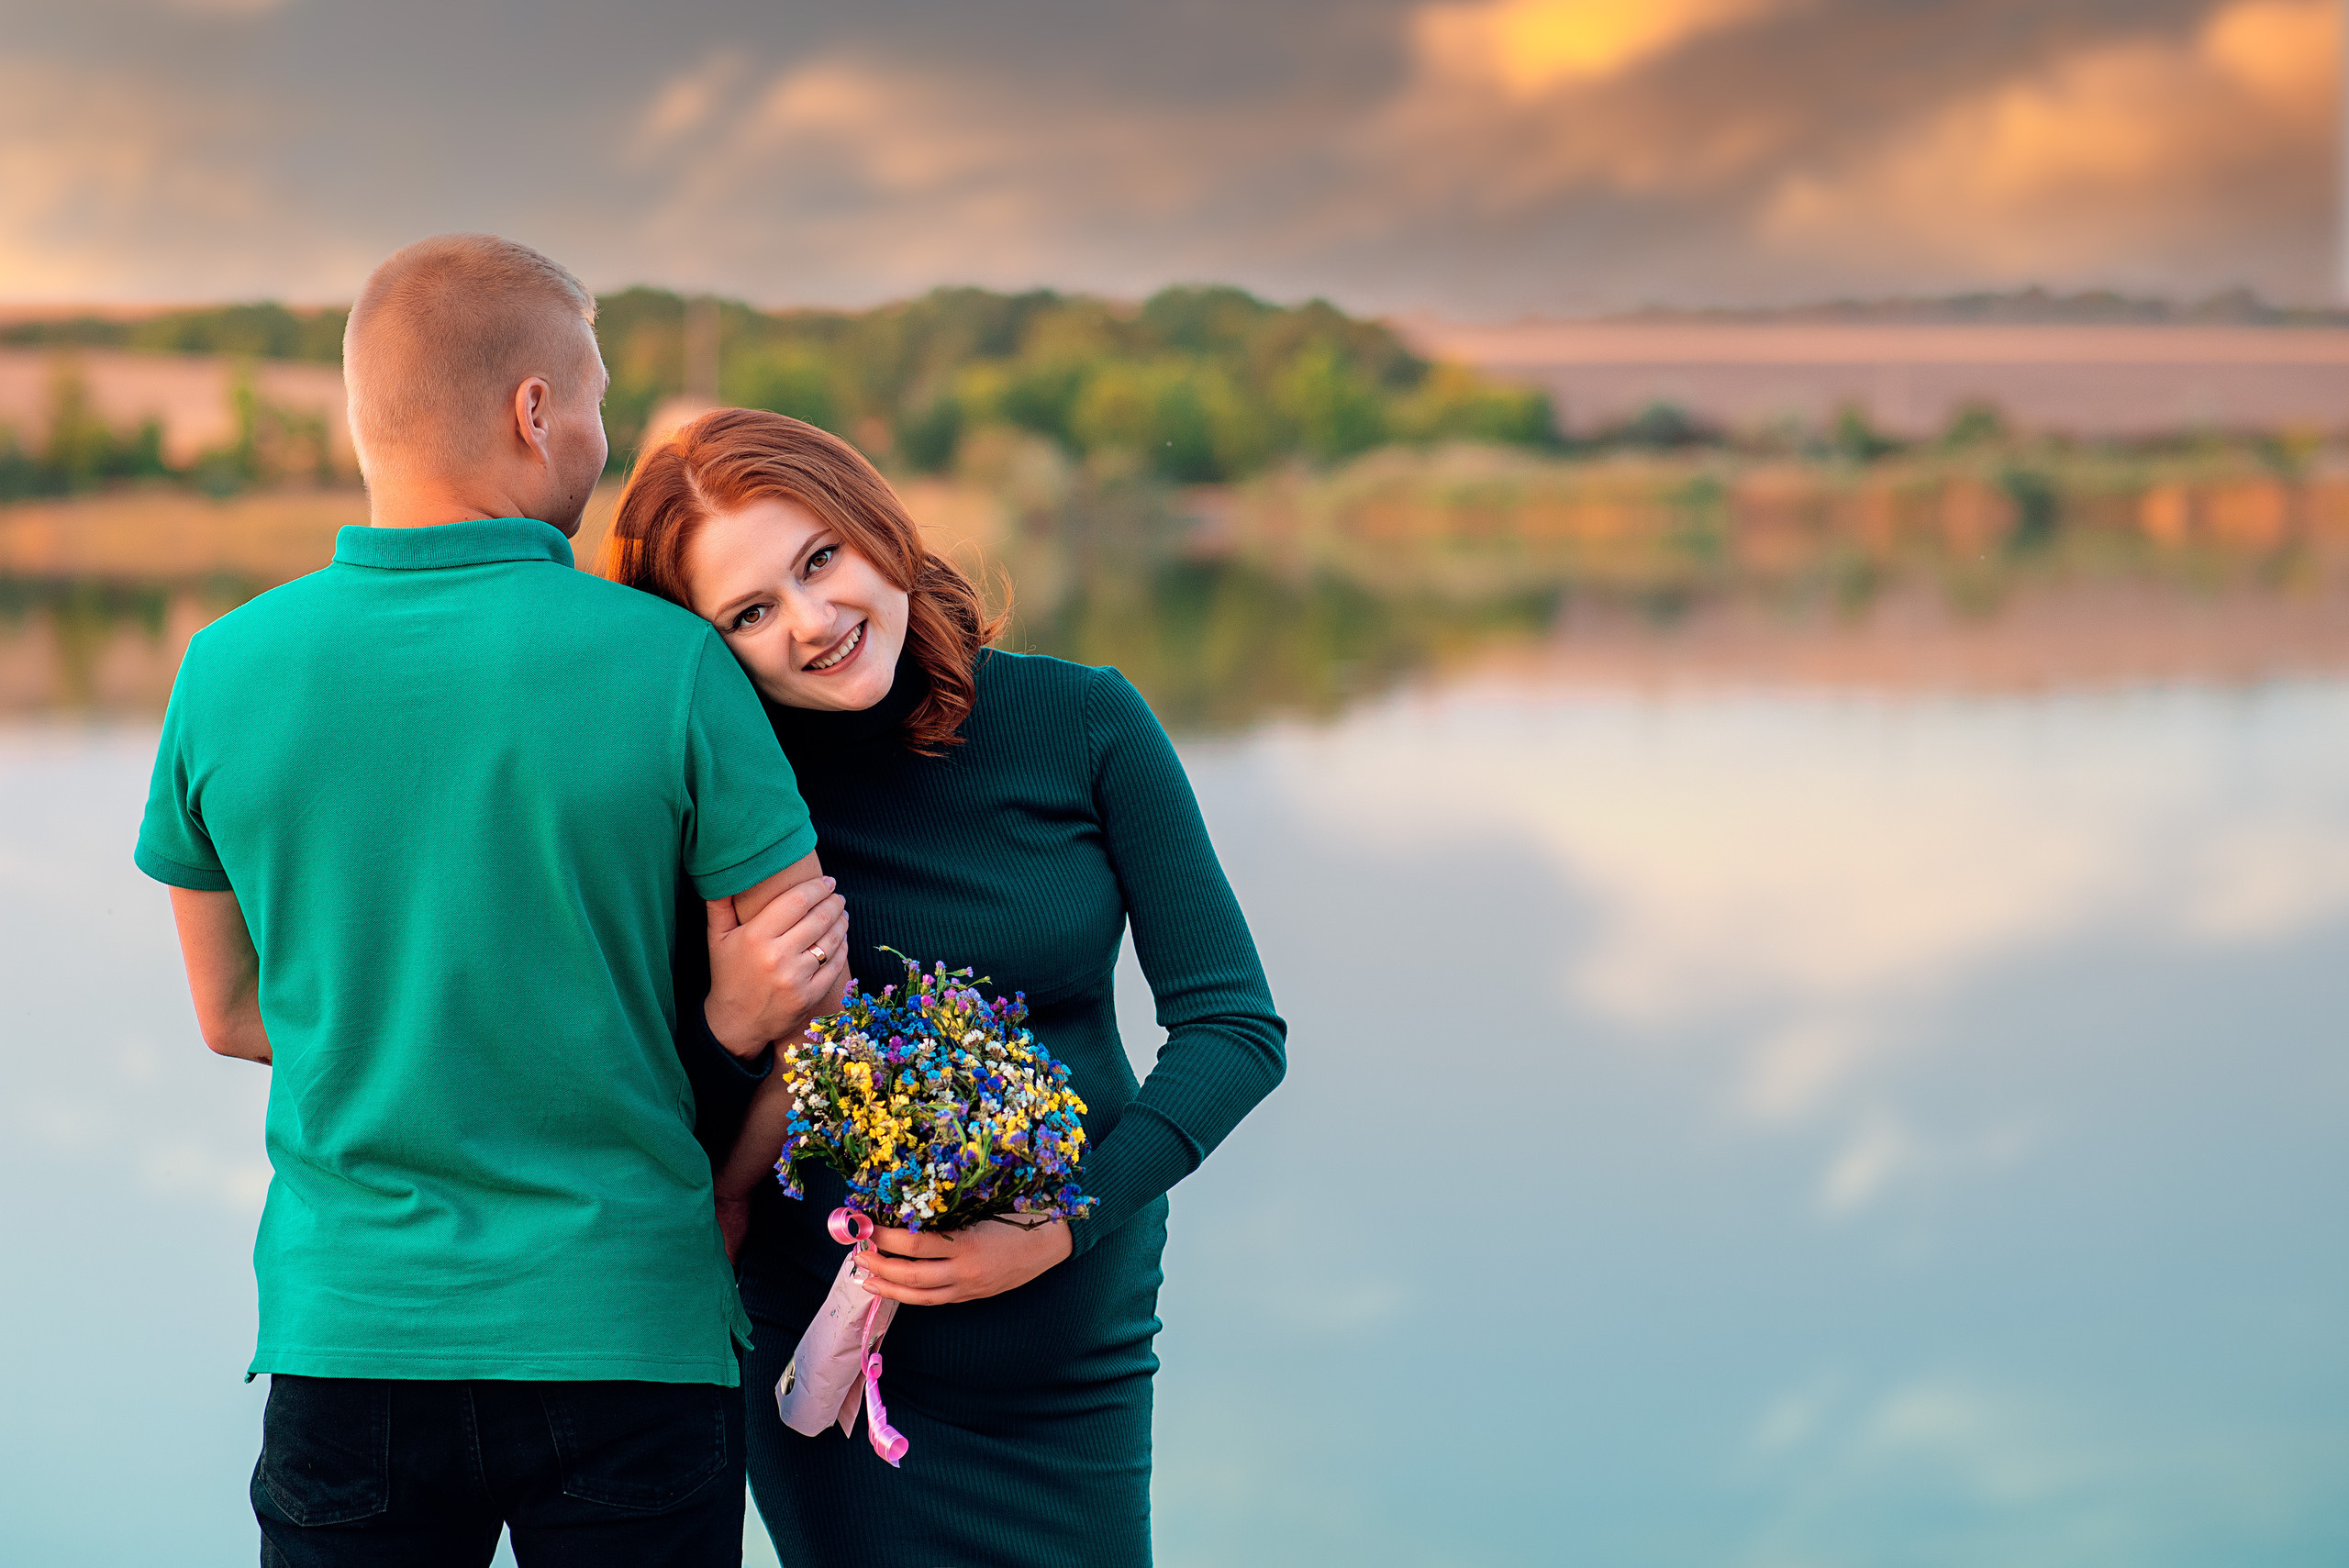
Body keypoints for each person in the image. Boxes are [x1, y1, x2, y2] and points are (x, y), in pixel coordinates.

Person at [135, 235, 849, 1568]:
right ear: (533, 409)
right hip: (628, 1329)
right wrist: (726, 1177)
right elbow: (811, 1003)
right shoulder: (677, 662)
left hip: (351, 1339)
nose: (597, 435)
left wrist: (423, 1030)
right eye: (592, 399)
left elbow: (232, 1013)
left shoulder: (222, 670)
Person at [602, 406, 1288, 1568]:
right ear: (706, 649)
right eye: (750, 613)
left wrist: (1059, 1227)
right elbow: (656, 1110)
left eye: (819, 560)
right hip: (837, 1362)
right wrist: (734, 1025)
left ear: (876, 523)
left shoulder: (1085, 721)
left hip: (1073, 1345)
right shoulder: (716, 812)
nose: (813, 623)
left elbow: (1235, 1028)